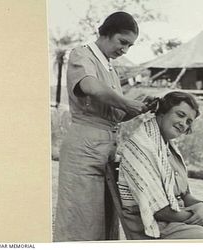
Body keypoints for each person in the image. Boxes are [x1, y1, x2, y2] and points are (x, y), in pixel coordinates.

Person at [54, 12, 146, 241]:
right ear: (104, 33)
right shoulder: (81, 55)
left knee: (104, 223)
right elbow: (91, 87)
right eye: (122, 42)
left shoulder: (110, 69)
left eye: (130, 46)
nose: (125, 50)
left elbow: (113, 116)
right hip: (83, 150)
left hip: (107, 151)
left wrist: (139, 108)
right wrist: (126, 103)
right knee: (81, 220)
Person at [118, 91, 203, 240]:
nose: (183, 124)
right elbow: (158, 210)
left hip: (175, 221)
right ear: (162, 112)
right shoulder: (143, 146)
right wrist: (197, 217)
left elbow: (184, 195)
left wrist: (202, 206)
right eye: (180, 115)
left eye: (189, 121)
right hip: (156, 226)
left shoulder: (168, 147)